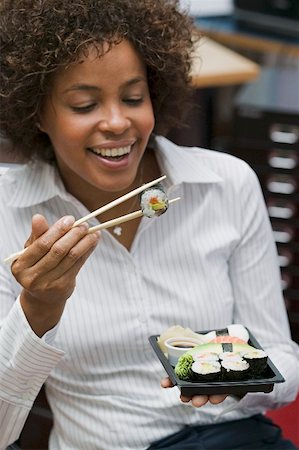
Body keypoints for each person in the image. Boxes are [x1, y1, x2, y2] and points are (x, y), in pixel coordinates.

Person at [0, 1, 298, 449]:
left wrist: (244, 379)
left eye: (134, 98)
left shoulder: (226, 185)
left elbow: (286, 366)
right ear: (36, 114)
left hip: (233, 436)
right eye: (84, 105)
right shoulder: (10, 211)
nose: (118, 122)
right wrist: (38, 308)